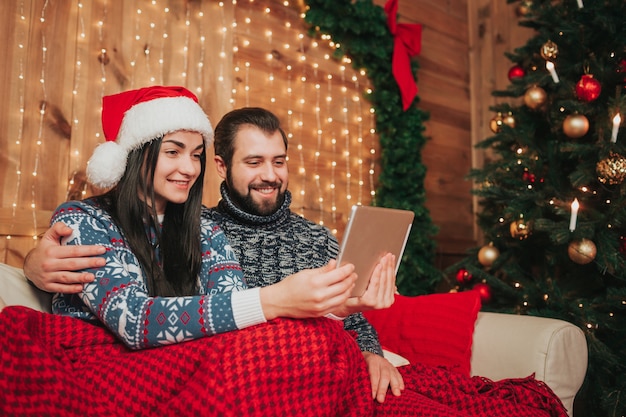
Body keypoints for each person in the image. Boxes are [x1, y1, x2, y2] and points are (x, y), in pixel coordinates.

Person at [24, 100, 403, 400]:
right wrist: (278, 299)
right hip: (102, 366)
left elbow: (233, 315)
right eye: (173, 152)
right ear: (137, 154)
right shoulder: (84, 219)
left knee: (318, 346)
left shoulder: (203, 229)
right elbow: (135, 320)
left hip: (180, 364)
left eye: (194, 154)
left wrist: (338, 309)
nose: (188, 167)